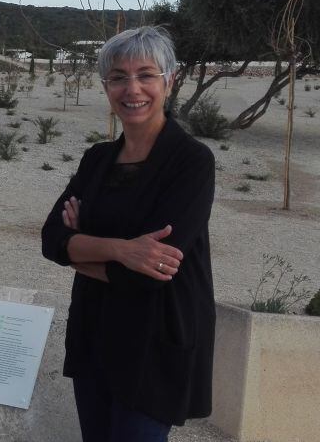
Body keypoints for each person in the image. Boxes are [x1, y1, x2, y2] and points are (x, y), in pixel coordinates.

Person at [40, 26, 215, 441]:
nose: (131, 88)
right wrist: (122, 249)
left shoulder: (191, 162)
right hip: (95, 332)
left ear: (169, 81)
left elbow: (151, 271)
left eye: (146, 74)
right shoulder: (98, 159)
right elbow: (51, 239)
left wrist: (81, 252)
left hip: (154, 340)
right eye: (118, 77)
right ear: (105, 86)